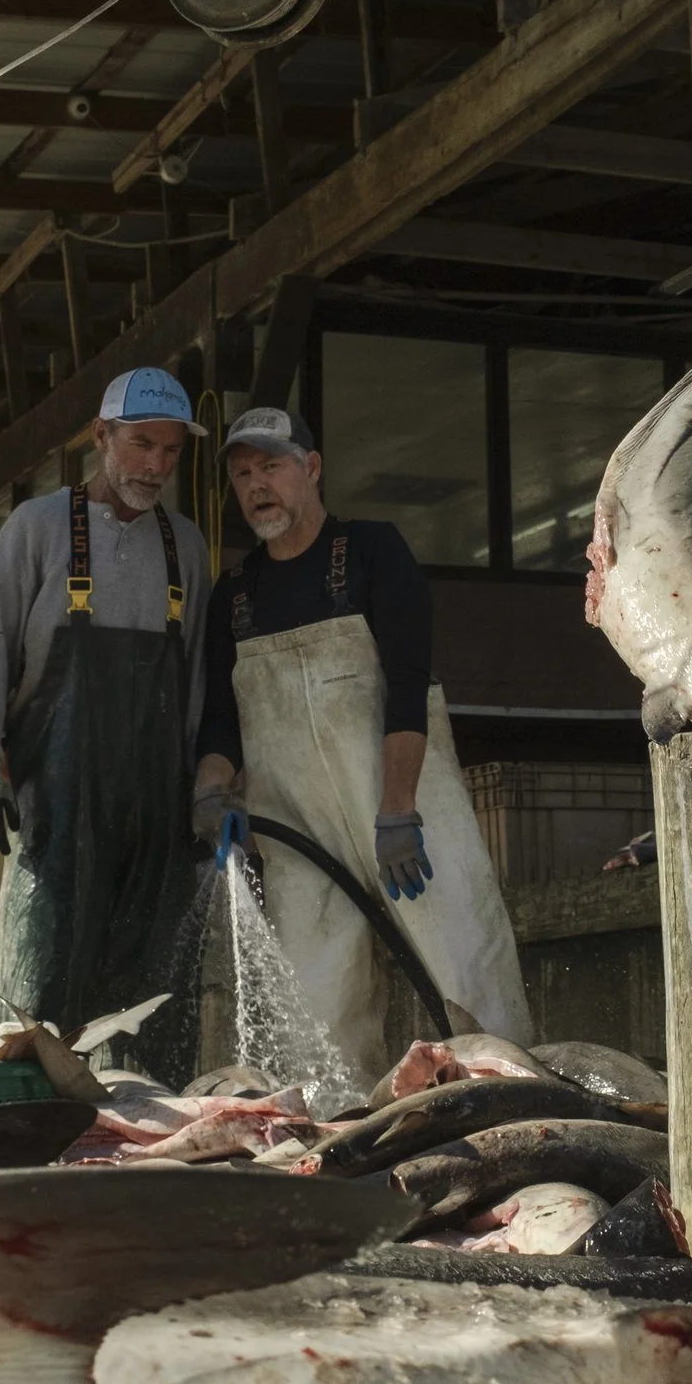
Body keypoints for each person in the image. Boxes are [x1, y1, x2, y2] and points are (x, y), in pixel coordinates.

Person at [193, 406, 532, 1080]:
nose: (258, 485)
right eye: (243, 474)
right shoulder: (232, 595)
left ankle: (523, 1112)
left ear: (311, 468)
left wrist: (398, 808)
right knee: (321, 1023)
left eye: (273, 466)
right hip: (300, 835)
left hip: (404, 818)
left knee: (471, 977)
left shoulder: (373, 551)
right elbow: (220, 721)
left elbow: (407, 687)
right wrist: (210, 792)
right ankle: (342, 1152)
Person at [0, 367, 210, 1067]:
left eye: (170, 451)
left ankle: (146, 1164)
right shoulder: (35, 529)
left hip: (156, 829)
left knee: (150, 1025)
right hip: (55, 818)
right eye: (140, 444)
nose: (155, 465)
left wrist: (210, 792)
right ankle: (29, 1162)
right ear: (100, 436)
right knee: (36, 1016)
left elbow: (198, 686)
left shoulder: (186, 547)